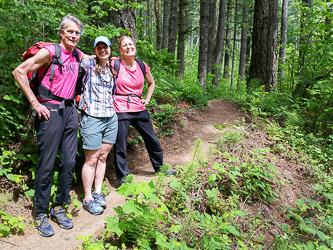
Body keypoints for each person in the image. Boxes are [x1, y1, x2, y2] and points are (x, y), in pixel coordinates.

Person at [12, 14, 89, 237]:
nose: (74, 35)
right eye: (70, 31)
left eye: (77, 33)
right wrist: (35, 103)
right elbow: (19, 71)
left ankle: (59, 207)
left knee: (68, 161)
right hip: (50, 111)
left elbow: (96, 58)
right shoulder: (51, 52)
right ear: (61, 32)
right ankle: (40, 212)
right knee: (46, 163)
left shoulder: (77, 55)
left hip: (69, 112)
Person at [113, 35, 175, 187]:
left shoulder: (142, 65)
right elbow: (95, 57)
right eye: (124, 45)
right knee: (120, 145)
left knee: (152, 140)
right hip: (120, 108)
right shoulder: (114, 64)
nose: (128, 47)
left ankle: (160, 168)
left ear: (134, 46)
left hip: (139, 107)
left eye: (130, 44)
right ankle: (124, 179)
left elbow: (151, 82)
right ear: (121, 50)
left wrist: (147, 98)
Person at [78, 36, 118, 215]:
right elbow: (70, 54)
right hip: (92, 117)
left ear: (110, 49)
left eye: (106, 47)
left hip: (111, 117)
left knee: (103, 157)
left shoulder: (113, 67)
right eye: (99, 47)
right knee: (91, 160)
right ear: (95, 49)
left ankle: (97, 192)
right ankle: (87, 198)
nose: (103, 50)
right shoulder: (87, 65)